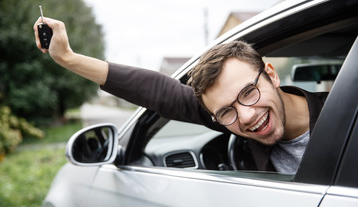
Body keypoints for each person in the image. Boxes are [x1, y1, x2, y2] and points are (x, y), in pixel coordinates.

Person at [33, 17, 328, 174]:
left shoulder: (347, 115)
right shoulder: (231, 118)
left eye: (249, 92)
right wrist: (68, 58)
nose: (247, 116)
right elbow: (160, 91)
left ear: (272, 74)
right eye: (226, 111)